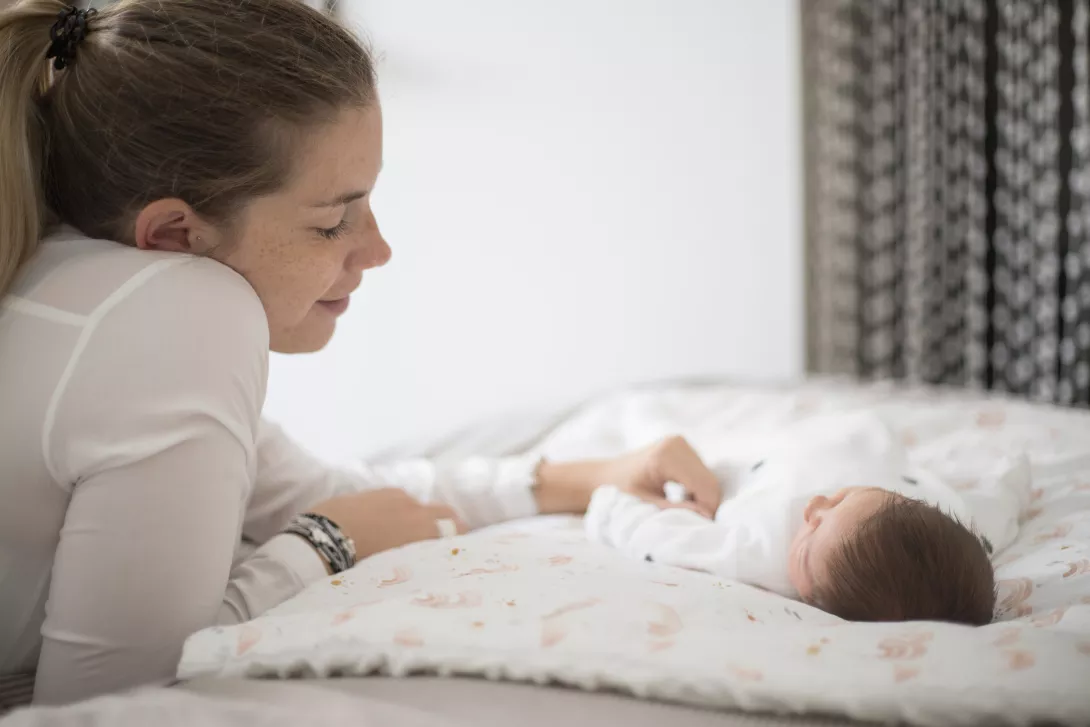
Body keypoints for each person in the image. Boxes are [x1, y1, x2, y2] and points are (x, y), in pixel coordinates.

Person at [0, 0, 723, 706]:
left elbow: (326, 488)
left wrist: (582, 477)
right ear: (176, 236)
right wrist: (323, 546)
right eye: (332, 221)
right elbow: (107, 701)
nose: (377, 250)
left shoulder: (71, 270)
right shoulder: (181, 313)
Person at [585, 412, 1031, 625]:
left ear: (816, 600)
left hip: (773, 463)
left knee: (698, 443)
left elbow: (653, 534)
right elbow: (1001, 501)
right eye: (842, 501)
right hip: (869, 446)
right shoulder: (967, 525)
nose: (815, 506)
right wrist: (1016, 475)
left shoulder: (755, 554)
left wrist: (610, 505)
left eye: (813, 532)